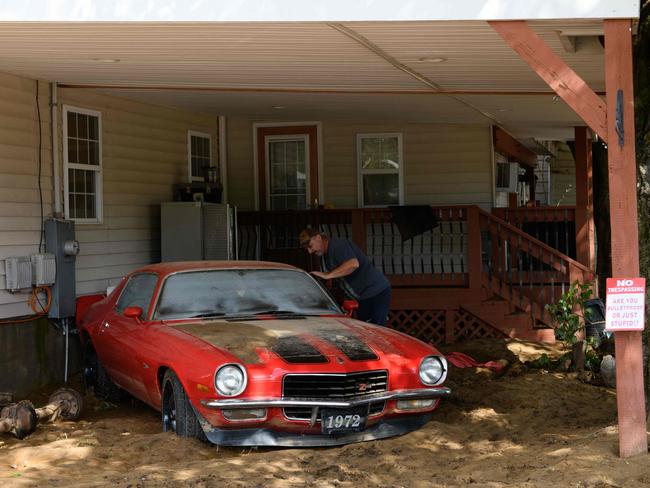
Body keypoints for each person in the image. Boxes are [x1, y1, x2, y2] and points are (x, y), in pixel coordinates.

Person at [299, 228, 391, 326]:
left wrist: (328, 275)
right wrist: (329, 277)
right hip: (363, 296)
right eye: (307, 249)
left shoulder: (337, 245)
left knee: (375, 330)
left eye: (310, 246)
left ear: (318, 238)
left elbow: (353, 264)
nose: (310, 252)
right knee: (367, 329)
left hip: (375, 291)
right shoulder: (327, 254)